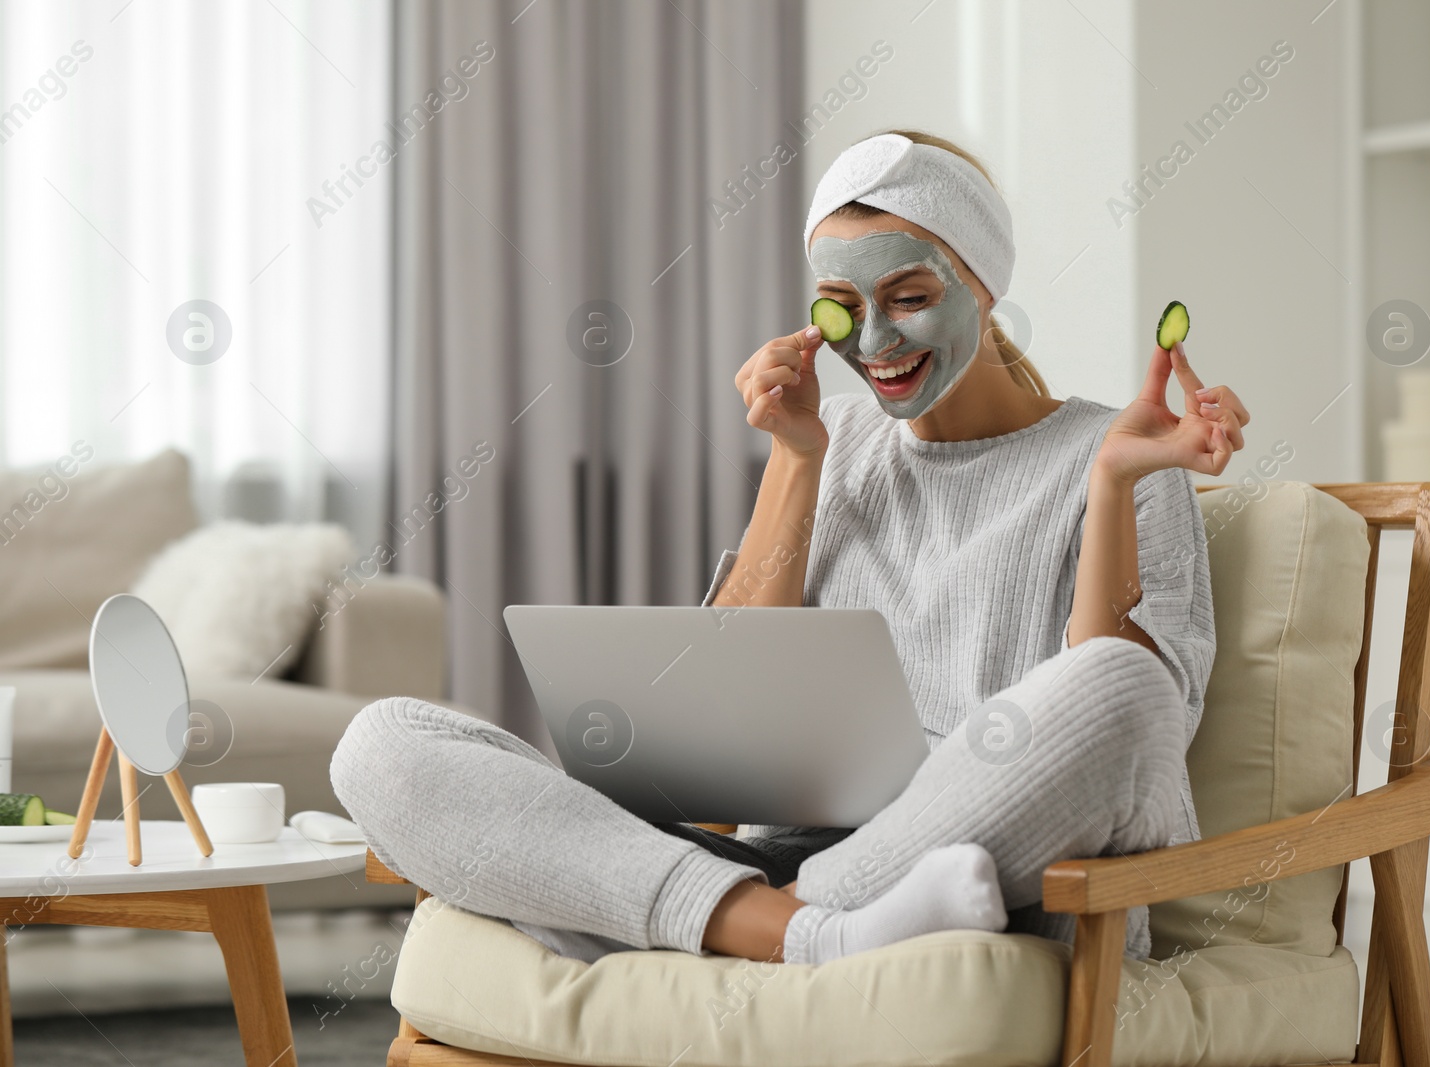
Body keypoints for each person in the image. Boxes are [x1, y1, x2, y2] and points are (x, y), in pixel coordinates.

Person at [331, 129, 1249, 969]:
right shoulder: (832, 443)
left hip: (987, 879)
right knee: (380, 744)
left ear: (984, 285)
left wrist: (1113, 486)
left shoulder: (1121, 455)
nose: (879, 341)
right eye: (845, 309)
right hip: (768, 865)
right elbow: (709, 754)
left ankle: (752, 919)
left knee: (1128, 687)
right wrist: (797, 457)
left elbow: (1119, 736)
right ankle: (800, 932)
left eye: (912, 298)